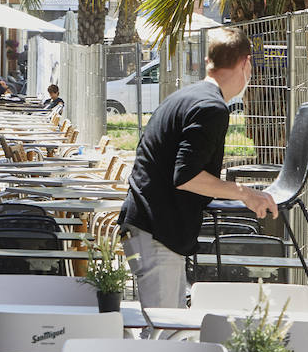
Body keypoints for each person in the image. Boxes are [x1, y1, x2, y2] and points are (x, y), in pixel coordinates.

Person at [118, 27, 278, 311]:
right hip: (156, 232)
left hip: (149, 228)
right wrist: (245, 193)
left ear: (208, 62)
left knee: (164, 331)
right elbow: (187, 176)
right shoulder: (211, 108)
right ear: (245, 63)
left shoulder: (187, 97)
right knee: (163, 334)